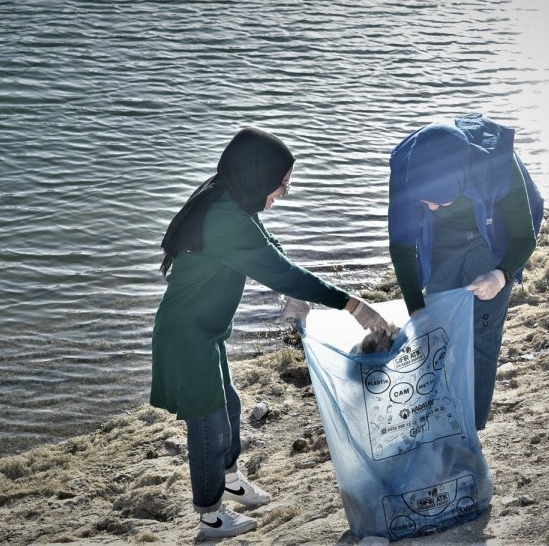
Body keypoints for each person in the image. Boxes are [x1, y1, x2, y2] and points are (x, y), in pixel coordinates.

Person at [151, 127, 388, 538]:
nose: (285, 193)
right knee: (208, 425)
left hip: (204, 332)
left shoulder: (231, 200)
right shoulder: (226, 217)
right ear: (257, 176)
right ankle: (210, 515)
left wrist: (289, 293)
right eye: (283, 183)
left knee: (230, 405)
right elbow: (284, 271)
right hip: (187, 338)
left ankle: (228, 477)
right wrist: (353, 305)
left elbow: (270, 250)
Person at [387, 113, 543, 432]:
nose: (429, 207)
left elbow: (524, 236)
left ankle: (471, 428)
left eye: (437, 200)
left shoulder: (498, 166)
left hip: (494, 230)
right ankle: (433, 415)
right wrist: (416, 308)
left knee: (482, 328)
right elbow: (402, 246)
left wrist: (500, 276)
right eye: (424, 201)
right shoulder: (406, 168)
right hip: (443, 235)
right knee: (436, 326)